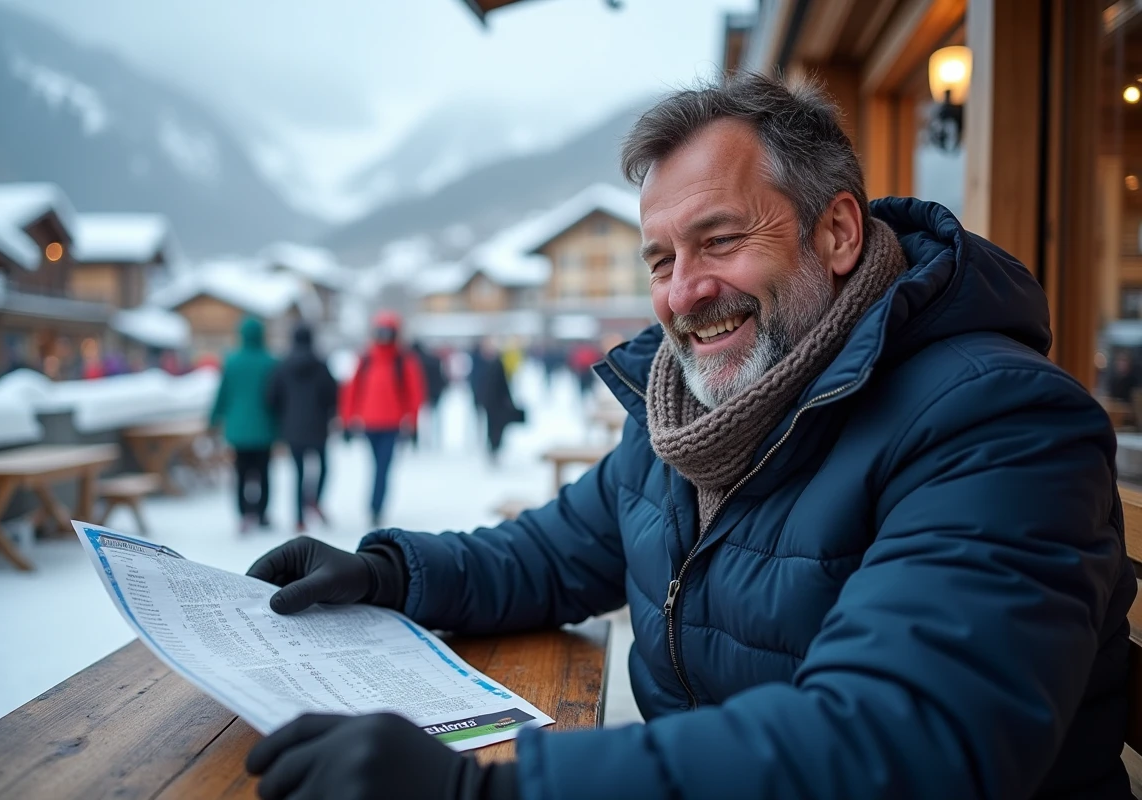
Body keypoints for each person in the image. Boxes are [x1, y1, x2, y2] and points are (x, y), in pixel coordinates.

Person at [244, 72, 1134, 800]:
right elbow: (551, 555)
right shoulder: (688, 418)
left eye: (720, 240)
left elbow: (910, 738)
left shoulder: (997, 420)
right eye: (662, 261)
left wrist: (490, 794)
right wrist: (389, 572)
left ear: (836, 233)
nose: (683, 292)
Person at [340, 311, 425, 528]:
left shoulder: (403, 361)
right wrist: (347, 420)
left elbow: (415, 394)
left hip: (392, 425)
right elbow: (351, 391)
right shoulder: (366, 359)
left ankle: (375, 507)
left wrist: (414, 425)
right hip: (369, 424)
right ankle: (375, 506)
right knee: (376, 465)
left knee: (382, 467)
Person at [210, 317, 278, 531]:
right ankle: (262, 512)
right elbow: (277, 398)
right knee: (264, 473)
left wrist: (213, 418)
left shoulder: (232, 361)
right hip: (265, 429)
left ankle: (243, 513)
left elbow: (223, 394)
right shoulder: (271, 362)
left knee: (241, 474)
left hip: (238, 430)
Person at [268, 323, 337, 532]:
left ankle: (299, 519)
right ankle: (314, 499)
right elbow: (333, 395)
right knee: (324, 467)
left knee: (298, 473)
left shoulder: (282, 365)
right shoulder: (321, 364)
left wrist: (284, 416)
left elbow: (272, 397)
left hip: (292, 428)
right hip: (318, 427)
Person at [476, 338, 522, 464]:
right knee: (493, 427)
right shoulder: (486, 364)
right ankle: (493, 448)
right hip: (492, 402)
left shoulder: (494, 364)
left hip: (496, 402)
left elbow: (502, 385)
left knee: (495, 427)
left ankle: (494, 448)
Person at [410, 340, 446, 448]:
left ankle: (416, 440)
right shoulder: (434, 360)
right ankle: (436, 438)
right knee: (435, 417)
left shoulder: (414, 362)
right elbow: (441, 377)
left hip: (421, 393)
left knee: (419, 417)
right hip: (435, 392)